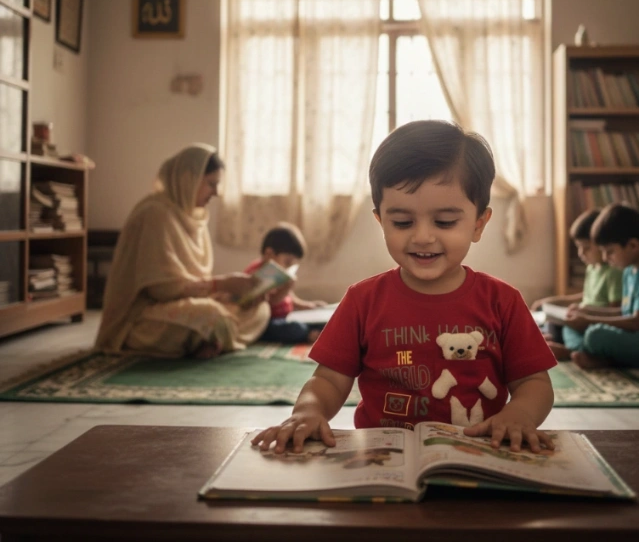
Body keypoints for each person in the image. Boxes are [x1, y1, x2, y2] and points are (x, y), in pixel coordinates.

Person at [252, 120, 556, 456]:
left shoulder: (503, 301)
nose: (422, 236)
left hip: (479, 455)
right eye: (402, 222)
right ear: (381, 220)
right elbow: (328, 380)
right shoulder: (362, 301)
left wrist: (519, 415)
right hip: (383, 460)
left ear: (478, 224)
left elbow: (534, 383)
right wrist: (308, 411)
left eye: (444, 222)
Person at [94, 144, 270, 359]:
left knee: (261, 310)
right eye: (211, 184)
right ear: (190, 179)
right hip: (143, 318)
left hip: (184, 305)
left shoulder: (194, 217)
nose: (216, 193)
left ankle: (209, 341)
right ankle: (211, 338)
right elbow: (162, 290)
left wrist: (228, 293)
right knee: (212, 317)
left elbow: (197, 282)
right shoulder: (154, 213)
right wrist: (221, 283)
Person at [530, 208, 623, 360]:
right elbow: (585, 296)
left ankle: (569, 351)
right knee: (552, 321)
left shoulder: (613, 272)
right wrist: (552, 301)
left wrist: (586, 313)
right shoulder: (593, 268)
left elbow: (615, 309)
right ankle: (558, 343)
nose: (581, 253)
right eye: (578, 247)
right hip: (582, 318)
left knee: (578, 331)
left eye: (586, 248)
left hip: (595, 321)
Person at [564, 203, 639, 369]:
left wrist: (590, 320)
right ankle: (593, 355)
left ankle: (597, 357)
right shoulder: (628, 272)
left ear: (633, 245)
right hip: (630, 333)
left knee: (596, 334)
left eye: (610, 251)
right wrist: (587, 311)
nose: (605, 258)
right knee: (570, 323)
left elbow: (635, 322)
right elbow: (623, 311)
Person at [245, 223, 327, 344]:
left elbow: (289, 297)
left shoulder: (278, 273)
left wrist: (306, 305)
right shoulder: (259, 274)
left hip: (286, 317)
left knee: (322, 320)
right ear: (269, 254)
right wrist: (285, 288)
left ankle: (314, 331)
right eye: (287, 262)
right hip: (267, 322)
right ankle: (309, 333)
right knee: (295, 329)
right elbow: (271, 302)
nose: (289, 266)